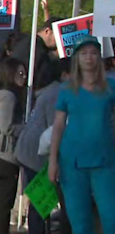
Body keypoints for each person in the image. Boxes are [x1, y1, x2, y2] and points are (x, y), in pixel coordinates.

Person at [49, 35, 115, 234]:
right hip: (72, 162)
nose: (89, 58)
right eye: (84, 53)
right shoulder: (67, 89)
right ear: (77, 58)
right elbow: (58, 125)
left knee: (111, 217)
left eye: (94, 53)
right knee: (80, 221)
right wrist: (53, 160)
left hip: (105, 160)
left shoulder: (110, 87)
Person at [16, 59, 72, 234]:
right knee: (41, 200)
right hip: (37, 151)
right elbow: (55, 128)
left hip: (30, 148)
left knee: (40, 200)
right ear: (65, 74)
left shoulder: (51, 90)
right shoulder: (59, 92)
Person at [0, 57, 26, 234]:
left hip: (0, 151)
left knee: (1, 199)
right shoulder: (8, 95)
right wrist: (26, 128)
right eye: (20, 73)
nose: (24, 76)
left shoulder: (4, 93)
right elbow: (6, 127)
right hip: (4, 152)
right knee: (4, 199)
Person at [11, 18, 59, 90]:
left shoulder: (27, 42)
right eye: (58, 37)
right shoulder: (37, 48)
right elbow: (44, 77)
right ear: (47, 31)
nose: (60, 42)